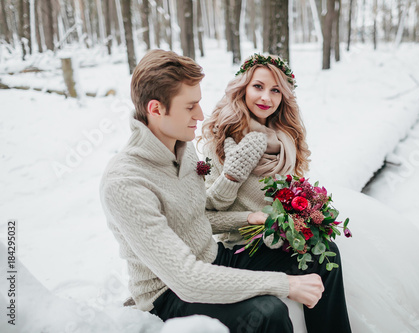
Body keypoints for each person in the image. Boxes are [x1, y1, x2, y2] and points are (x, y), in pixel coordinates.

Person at [99, 49, 329, 333]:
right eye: (190, 106)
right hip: (169, 293)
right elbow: (187, 279)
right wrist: (285, 283)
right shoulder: (126, 182)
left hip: (213, 257)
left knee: (321, 255)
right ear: (156, 109)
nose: (200, 114)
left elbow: (195, 219)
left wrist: (248, 218)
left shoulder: (184, 149)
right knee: (268, 312)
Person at [201, 53, 351, 332]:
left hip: (278, 242)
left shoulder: (285, 139)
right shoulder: (221, 140)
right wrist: (234, 176)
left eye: (275, 90)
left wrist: (304, 216)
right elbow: (206, 213)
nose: (266, 98)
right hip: (238, 250)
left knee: (326, 254)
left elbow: (286, 196)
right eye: (258, 86)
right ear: (243, 87)